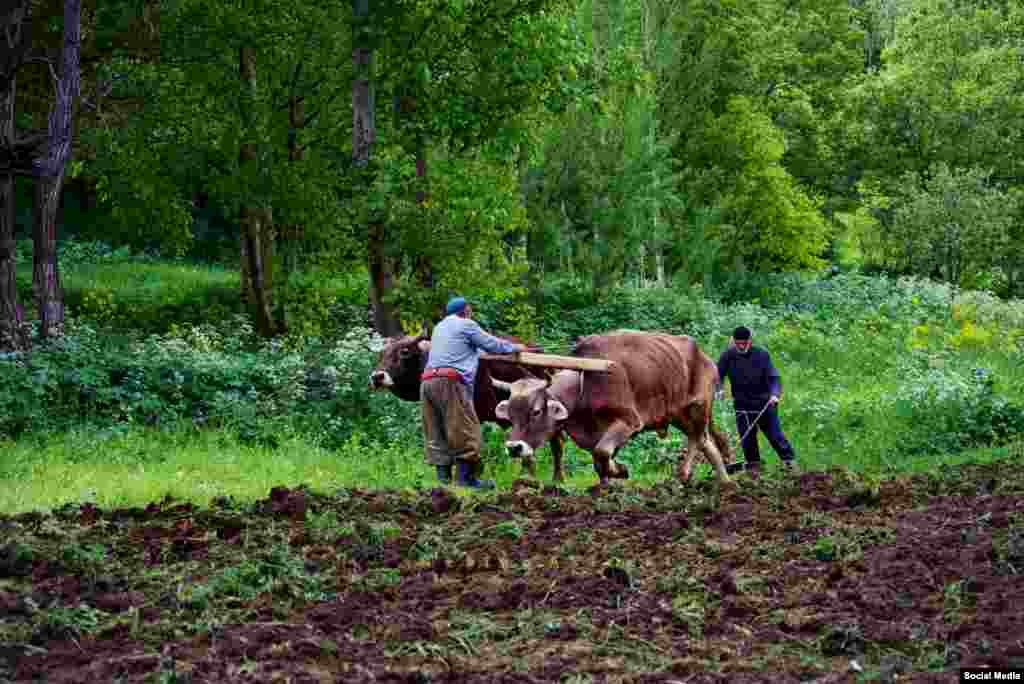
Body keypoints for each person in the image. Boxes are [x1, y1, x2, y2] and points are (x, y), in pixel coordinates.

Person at [420, 296, 527, 488]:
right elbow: (493, 344)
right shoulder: (466, 324)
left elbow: (465, 351)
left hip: (427, 382)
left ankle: (443, 483)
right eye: (470, 309)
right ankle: (465, 481)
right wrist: (515, 347)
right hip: (450, 381)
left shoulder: (439, 328)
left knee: (437, 430)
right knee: (466, 428)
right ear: (466, 310)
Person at [716, 326, 796, 477]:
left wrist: (774, 394)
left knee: (775, 436)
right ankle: (754, 470)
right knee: (747, 440)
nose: (741, 346)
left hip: (765, 404)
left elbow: (774, 377)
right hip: (742, 405)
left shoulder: (762, 355)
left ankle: (790, 464)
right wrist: (718, 389)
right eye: (738, 343)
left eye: (744, 344)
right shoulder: (728, 356)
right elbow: (717, 375)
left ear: (750, 341)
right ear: (733, 341)